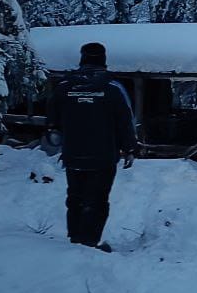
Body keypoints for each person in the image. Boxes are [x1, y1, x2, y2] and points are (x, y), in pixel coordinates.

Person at [47, 42, 138, 252]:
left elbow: (52, 120)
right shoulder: (113, 87)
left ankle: (75, 240)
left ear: (82, 58)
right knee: (97, 200)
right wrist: (130, 148)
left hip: (73, 154)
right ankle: (89, 243)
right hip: (103, 156)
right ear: (103, 59)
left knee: (75, 197)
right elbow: (125, 121)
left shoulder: (64, 86)